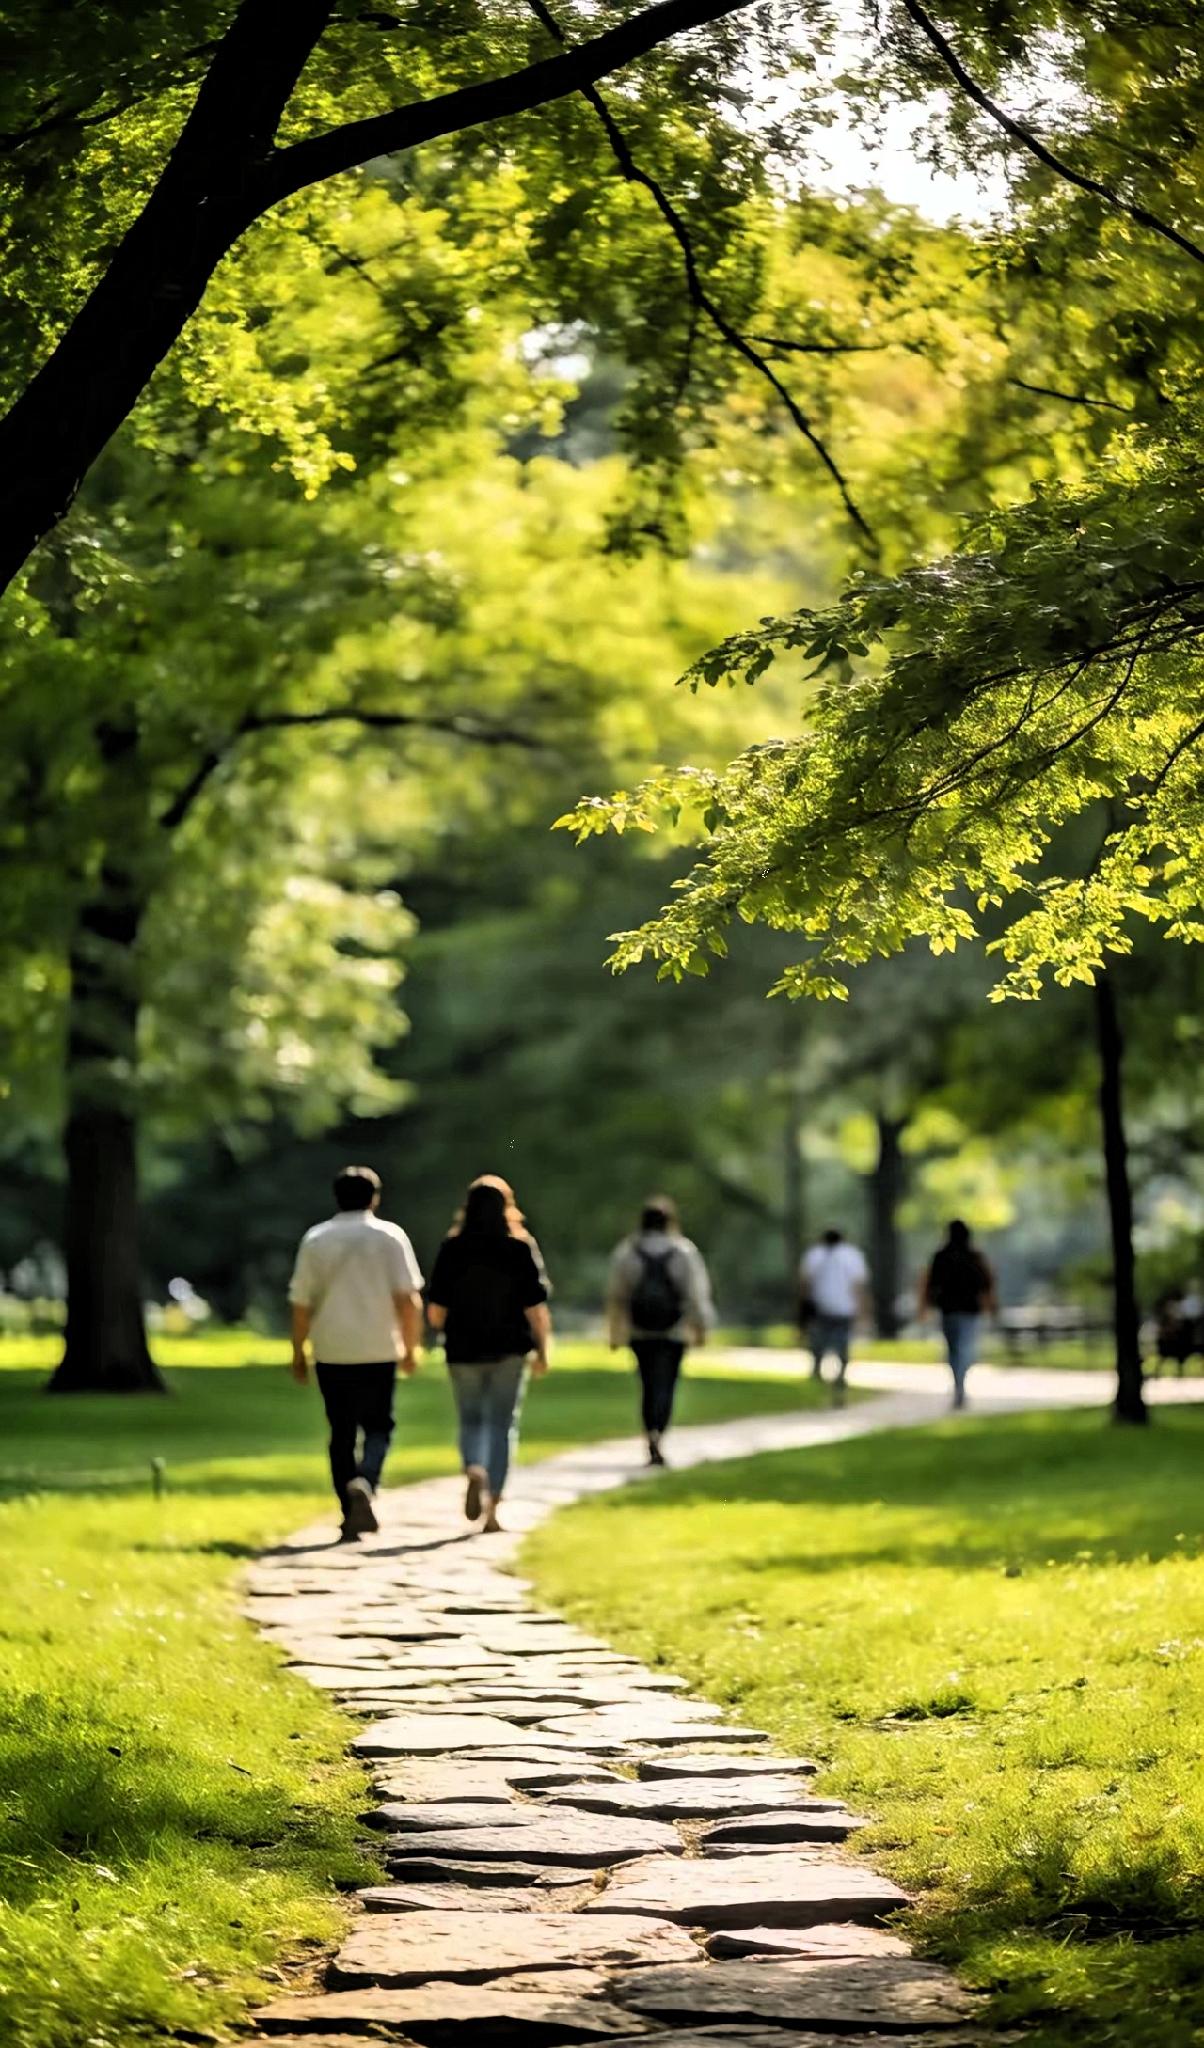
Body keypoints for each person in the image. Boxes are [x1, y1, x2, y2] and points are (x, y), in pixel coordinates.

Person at [289, 1165, 424, 1541]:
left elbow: (301, 1304)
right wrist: (411, 1346)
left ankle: (349, 1509)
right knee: (380, 1425)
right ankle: (365, 1480)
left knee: (341, 1430)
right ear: (375, 1197)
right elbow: (407, 1299)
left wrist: (298, 1351)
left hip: (332, 1348)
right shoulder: (390, 1237)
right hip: (380, 1346)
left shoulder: (317, 1239)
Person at [426, 1174, 551, 1533]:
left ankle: (474, 1468)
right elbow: (536, 1309)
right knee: (502, 1423)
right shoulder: (519, 1248)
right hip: (510, 1348)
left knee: (470, 1419)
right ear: (507, 1207)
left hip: (463, 1348)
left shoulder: (452, 1248)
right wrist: (542, 1349)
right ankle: (493, 1508)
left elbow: (436, 1311)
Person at [607, 1197, 715, 1466]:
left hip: (640, 1332)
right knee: (666, 1384)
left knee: (647, 1384)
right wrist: (701, 1327)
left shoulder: (627, 1252)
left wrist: (615, 1332)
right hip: (674, 1331)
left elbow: (616, 1296)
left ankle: (650, 1435)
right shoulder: (683, 1251)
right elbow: (695, 1294)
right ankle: (660, 1434)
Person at [920, 1219, 997, 1409]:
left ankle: (958, 1385)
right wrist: (992, 1306)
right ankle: (960, 1384)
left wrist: (925, 1306)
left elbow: (930, 1284)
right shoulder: (975, 1257)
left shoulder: (941, 1256)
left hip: (948, 1310)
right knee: (965, 1348)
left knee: (954, 1349)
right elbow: (987, 1284)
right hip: (969, 1311)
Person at [799, 1227, 868, 1394]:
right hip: (845, 1307)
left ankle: (817, 1370)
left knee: (819, 1340)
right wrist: (863, 1310)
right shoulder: (852, 1255)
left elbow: (804, 1283)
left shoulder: (814, 1255)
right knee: (842, 1341)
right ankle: (841, 1374)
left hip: (820, 1306)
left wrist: (803, 1308)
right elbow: (858, 1285)